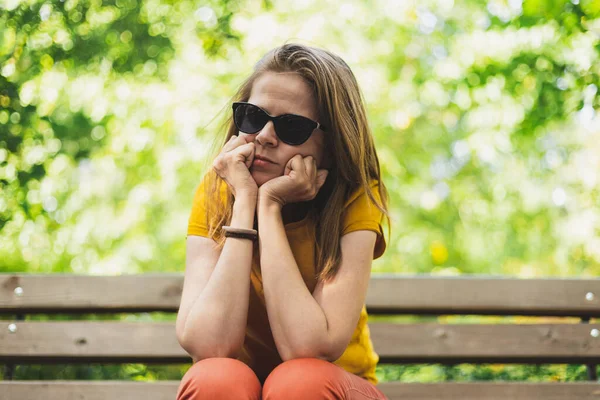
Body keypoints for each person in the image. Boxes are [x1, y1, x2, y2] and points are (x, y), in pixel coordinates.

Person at [176, 42, 391, 400]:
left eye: (291, 127)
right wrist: (245, 201)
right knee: (216, 378)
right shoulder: (219, 189)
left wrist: (270, 207)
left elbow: (309, 348)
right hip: (243, 391)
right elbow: (207, 346)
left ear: (332, 143)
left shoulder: (355, 197)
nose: (264, 137)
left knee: (300, 382)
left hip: (329, 389)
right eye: (253, 117)